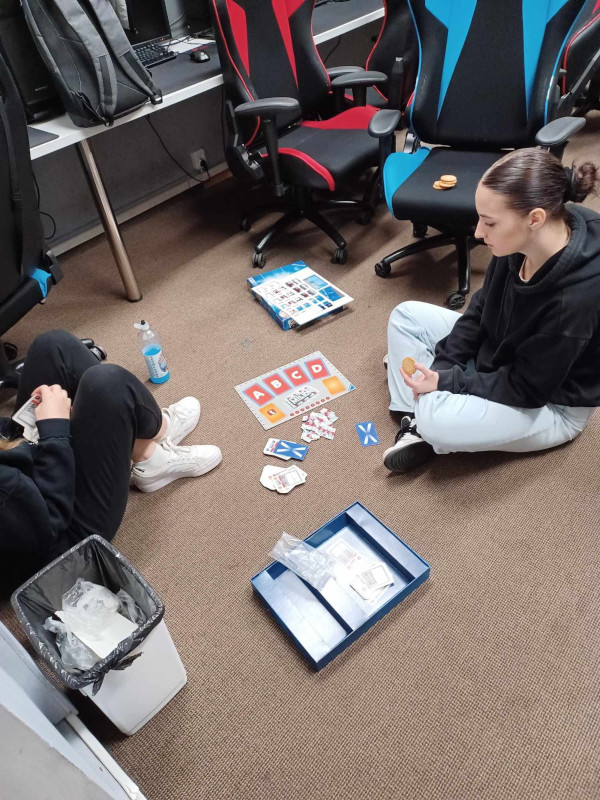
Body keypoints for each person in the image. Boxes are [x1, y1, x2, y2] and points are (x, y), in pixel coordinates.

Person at [383, 148, 600, 473]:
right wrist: (445, 368)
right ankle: (418, 414)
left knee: (436, 420)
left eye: (489, 222)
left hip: (550, 403)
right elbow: (481, 307)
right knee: (405, 317)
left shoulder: (574, 300)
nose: (478, 233)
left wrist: (449, 381)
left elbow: (528, 387)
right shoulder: (526, 236)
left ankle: (418, 418)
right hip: (501, 349)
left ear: (535, 219)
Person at [0, 330, 222, 588]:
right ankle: (153, 444)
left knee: (53, 347)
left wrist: (26, 427)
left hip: (18, 470)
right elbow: (49, 521)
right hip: (60, 543)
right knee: (107, 384)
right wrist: (55, 430)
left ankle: (153, 440)